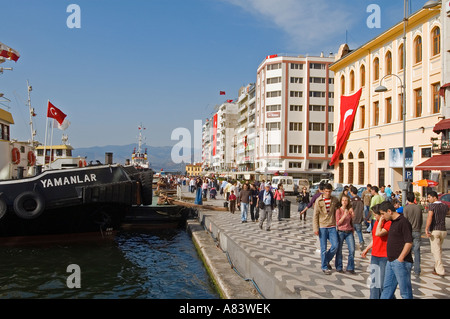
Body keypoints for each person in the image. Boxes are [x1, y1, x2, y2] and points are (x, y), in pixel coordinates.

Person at [379, 201, 413, 299]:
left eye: (383, 214)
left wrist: (401, 258)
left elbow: (409, 242)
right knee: (387, 290)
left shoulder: (403, 222)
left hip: (401, 262)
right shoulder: (392, 222)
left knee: (405, 292)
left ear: (389, 211)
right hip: (391, 262)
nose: (382, 216)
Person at [361, 204, 391, 299]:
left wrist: (381, 221)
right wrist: (367, 249)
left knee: (382, 283)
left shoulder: (388, 223)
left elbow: (379, 233)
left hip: (384, 256)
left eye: (375, 215)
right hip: (375, 255)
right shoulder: (376, 223)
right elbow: (375, 238)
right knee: (374, 283)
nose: (374, 217)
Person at [313, 183, 340, 275]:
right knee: (323, 248)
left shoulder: (334, 200)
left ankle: (327, 260)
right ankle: (324, 266)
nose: (328, 193)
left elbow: (340, 207)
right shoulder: (319, 200)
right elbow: (315, 215)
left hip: (332, 225)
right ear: (323, 191)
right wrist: (315, 228)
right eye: (326, 191)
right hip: (322, 226)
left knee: (335, 245)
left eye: (329, 191)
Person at [425, 191, 449, 276]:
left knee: (436, 251)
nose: (428, 199)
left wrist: (427, 228)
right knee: (438, 249)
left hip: (435, 230)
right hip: (443, 230)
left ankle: (440, 270)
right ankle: (436, 267)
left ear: (434, 197)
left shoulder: (432, 206)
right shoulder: (444, 206)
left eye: (429, 197)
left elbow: (429, 217)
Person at [335, 194, 356, 274]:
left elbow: (352, 219)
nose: (344, 202)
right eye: (343, 200)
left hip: (349, 231)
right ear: (341, 201)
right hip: (341, 231)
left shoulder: (349, 210)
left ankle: (350, 267)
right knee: (339, 250)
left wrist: (352, 213)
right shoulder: (338, 211)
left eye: (346, 200)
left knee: (352, 249)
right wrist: (344, 216)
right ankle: (339, 266)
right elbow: (338, 223)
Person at [403, 192, 423, 276]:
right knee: (417, 251)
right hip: (417, 231)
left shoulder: (406, 208)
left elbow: (405, 221)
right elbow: (421, 220)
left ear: (407, 199)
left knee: (408, 250)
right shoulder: (419, 208)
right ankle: (417, 270)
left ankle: (408, 267)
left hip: (409, 231)